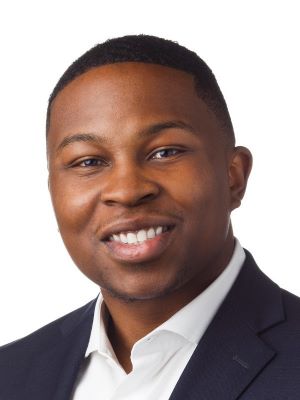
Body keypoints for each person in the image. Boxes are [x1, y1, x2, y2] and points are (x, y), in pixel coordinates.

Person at [0, 34, 299, 400]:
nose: (126, 191)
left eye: (165, 152)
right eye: (89, 161)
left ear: (234, 177)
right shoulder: (11, 373)